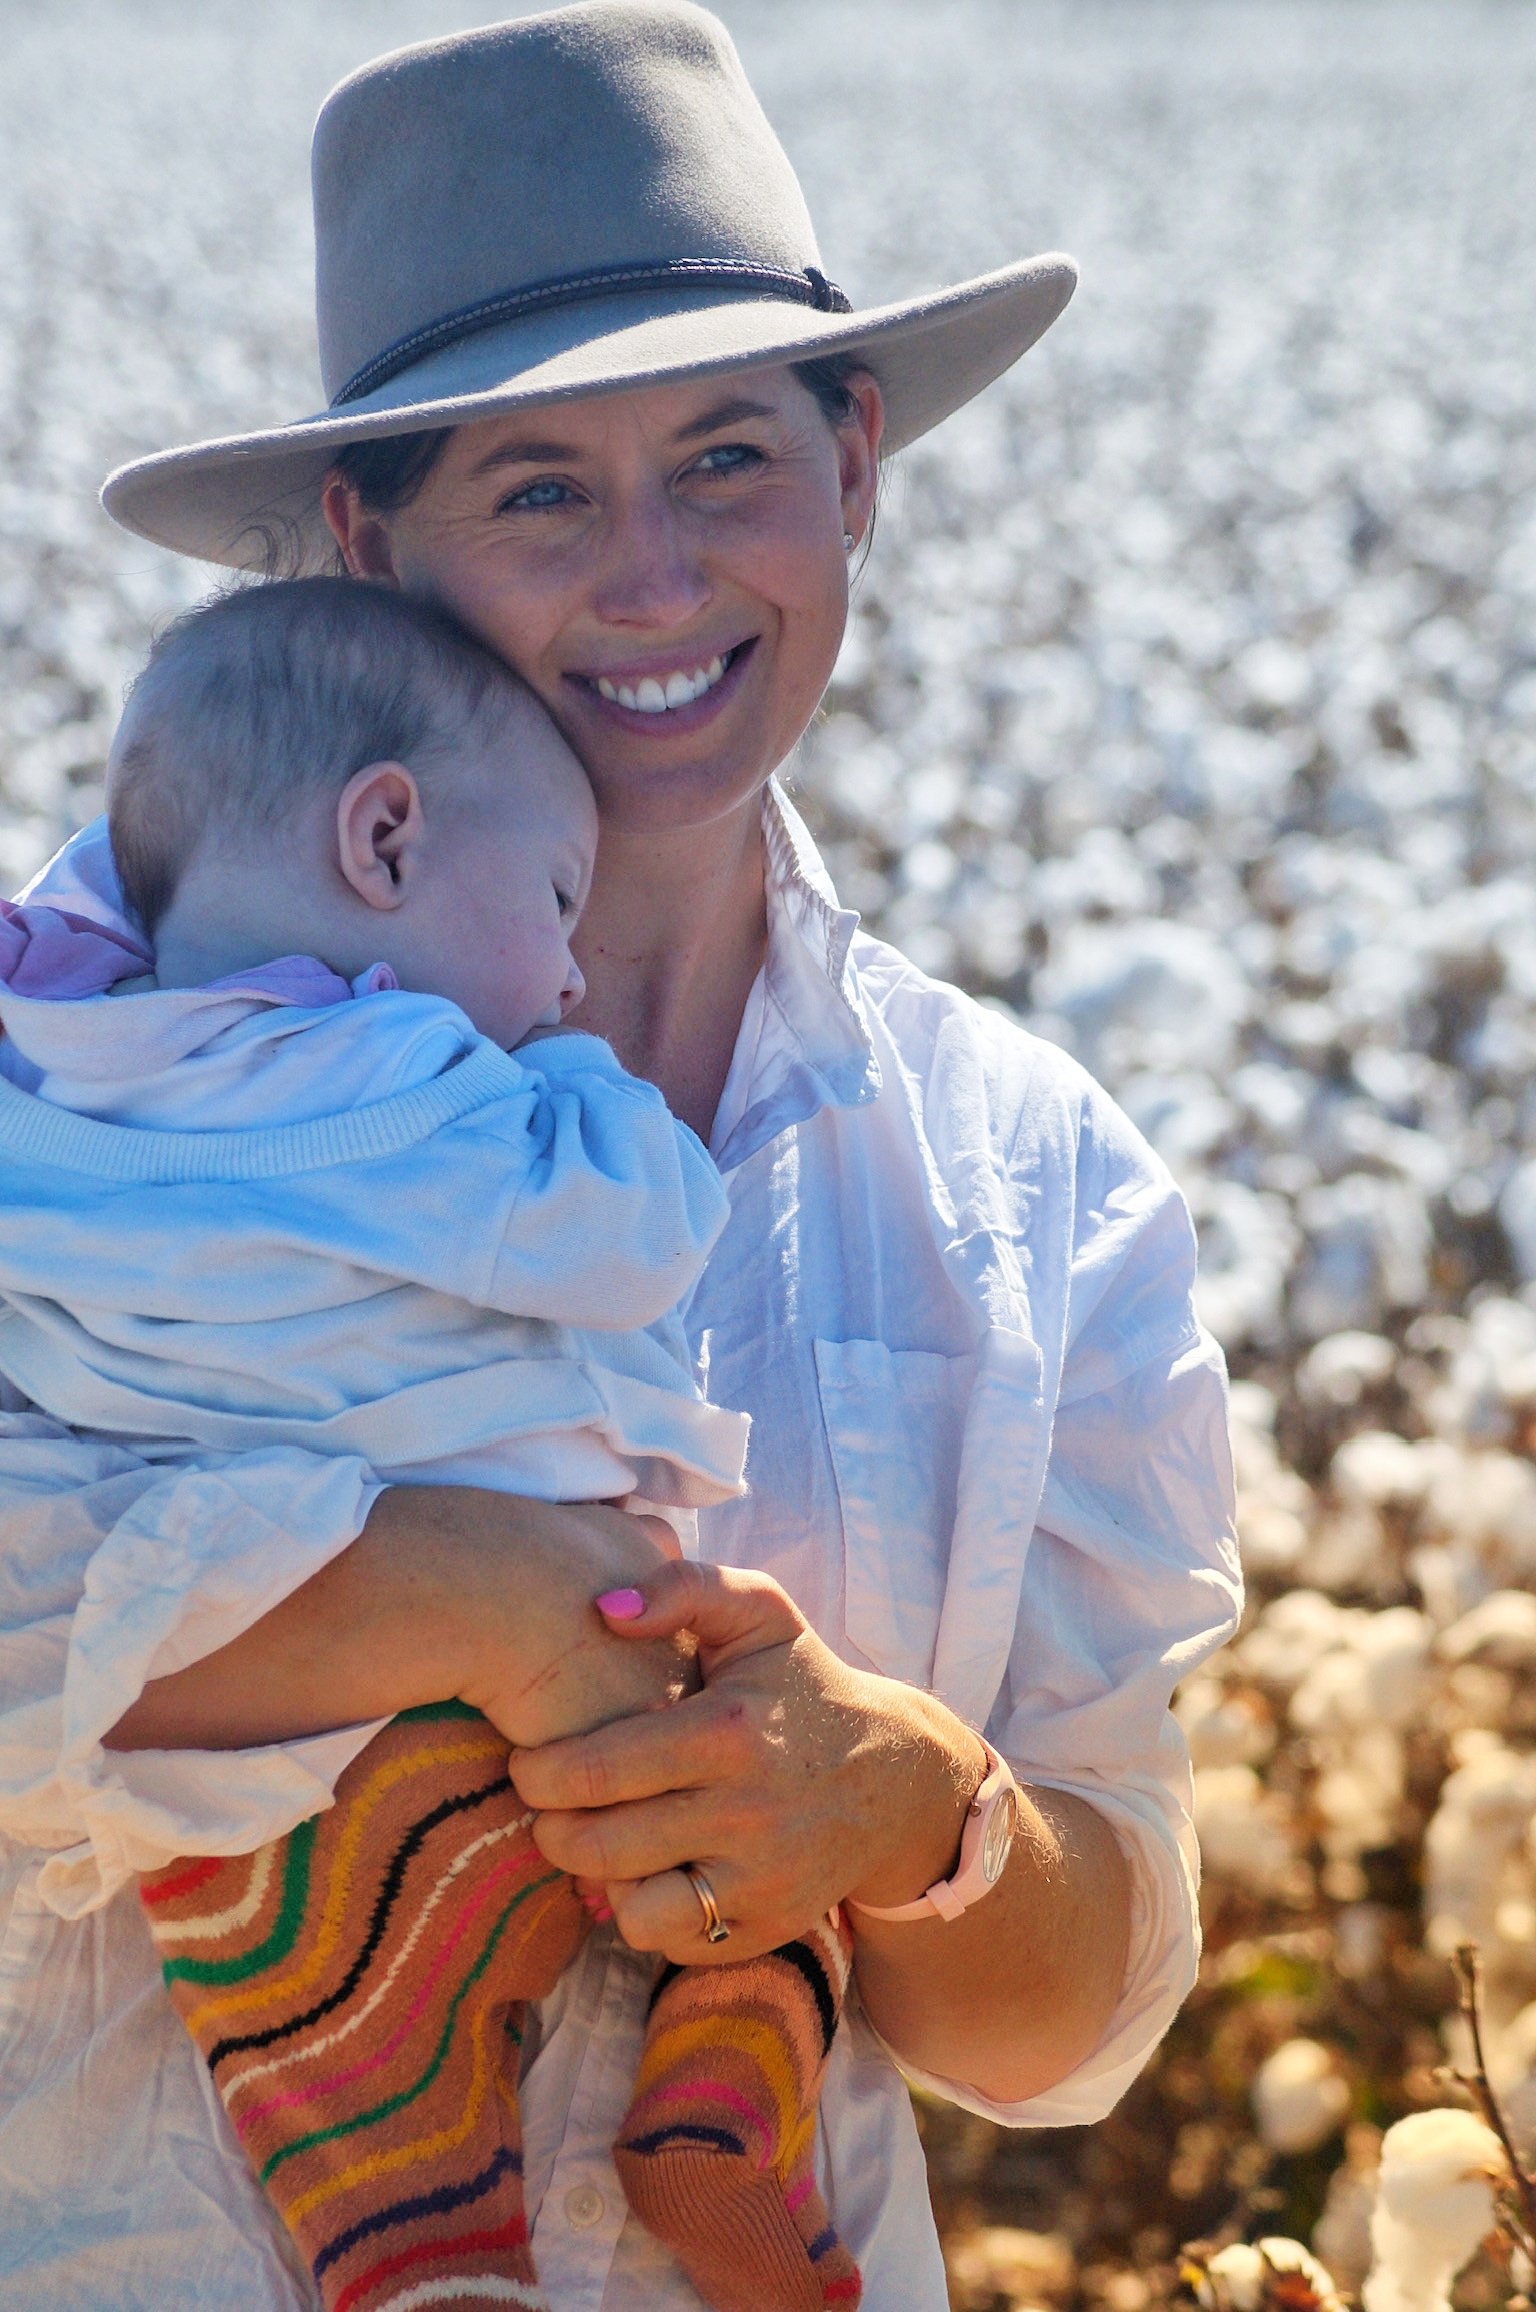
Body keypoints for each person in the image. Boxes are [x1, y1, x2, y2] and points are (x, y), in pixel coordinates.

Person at [0, 7, 1243, 2308]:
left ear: (856, 468)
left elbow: (1071, 2031)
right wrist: (464, 1592)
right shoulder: (64, 1073)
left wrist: (915, 1814)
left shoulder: (1031, 1184)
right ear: (368, 542)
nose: (657, 577)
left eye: (728, 456)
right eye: (540, 489)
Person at [0, 570, 867, 2312]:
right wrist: (592, 1079)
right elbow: (631, 1236)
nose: (567, 964)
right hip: (580, 1642)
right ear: (384, 838)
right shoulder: (416, 1081)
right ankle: (723, 2096)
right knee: (761, 1859)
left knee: (324, 2001)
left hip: (250, 1725)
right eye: (554, 898)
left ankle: (414, 2237)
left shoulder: (61, 1092)